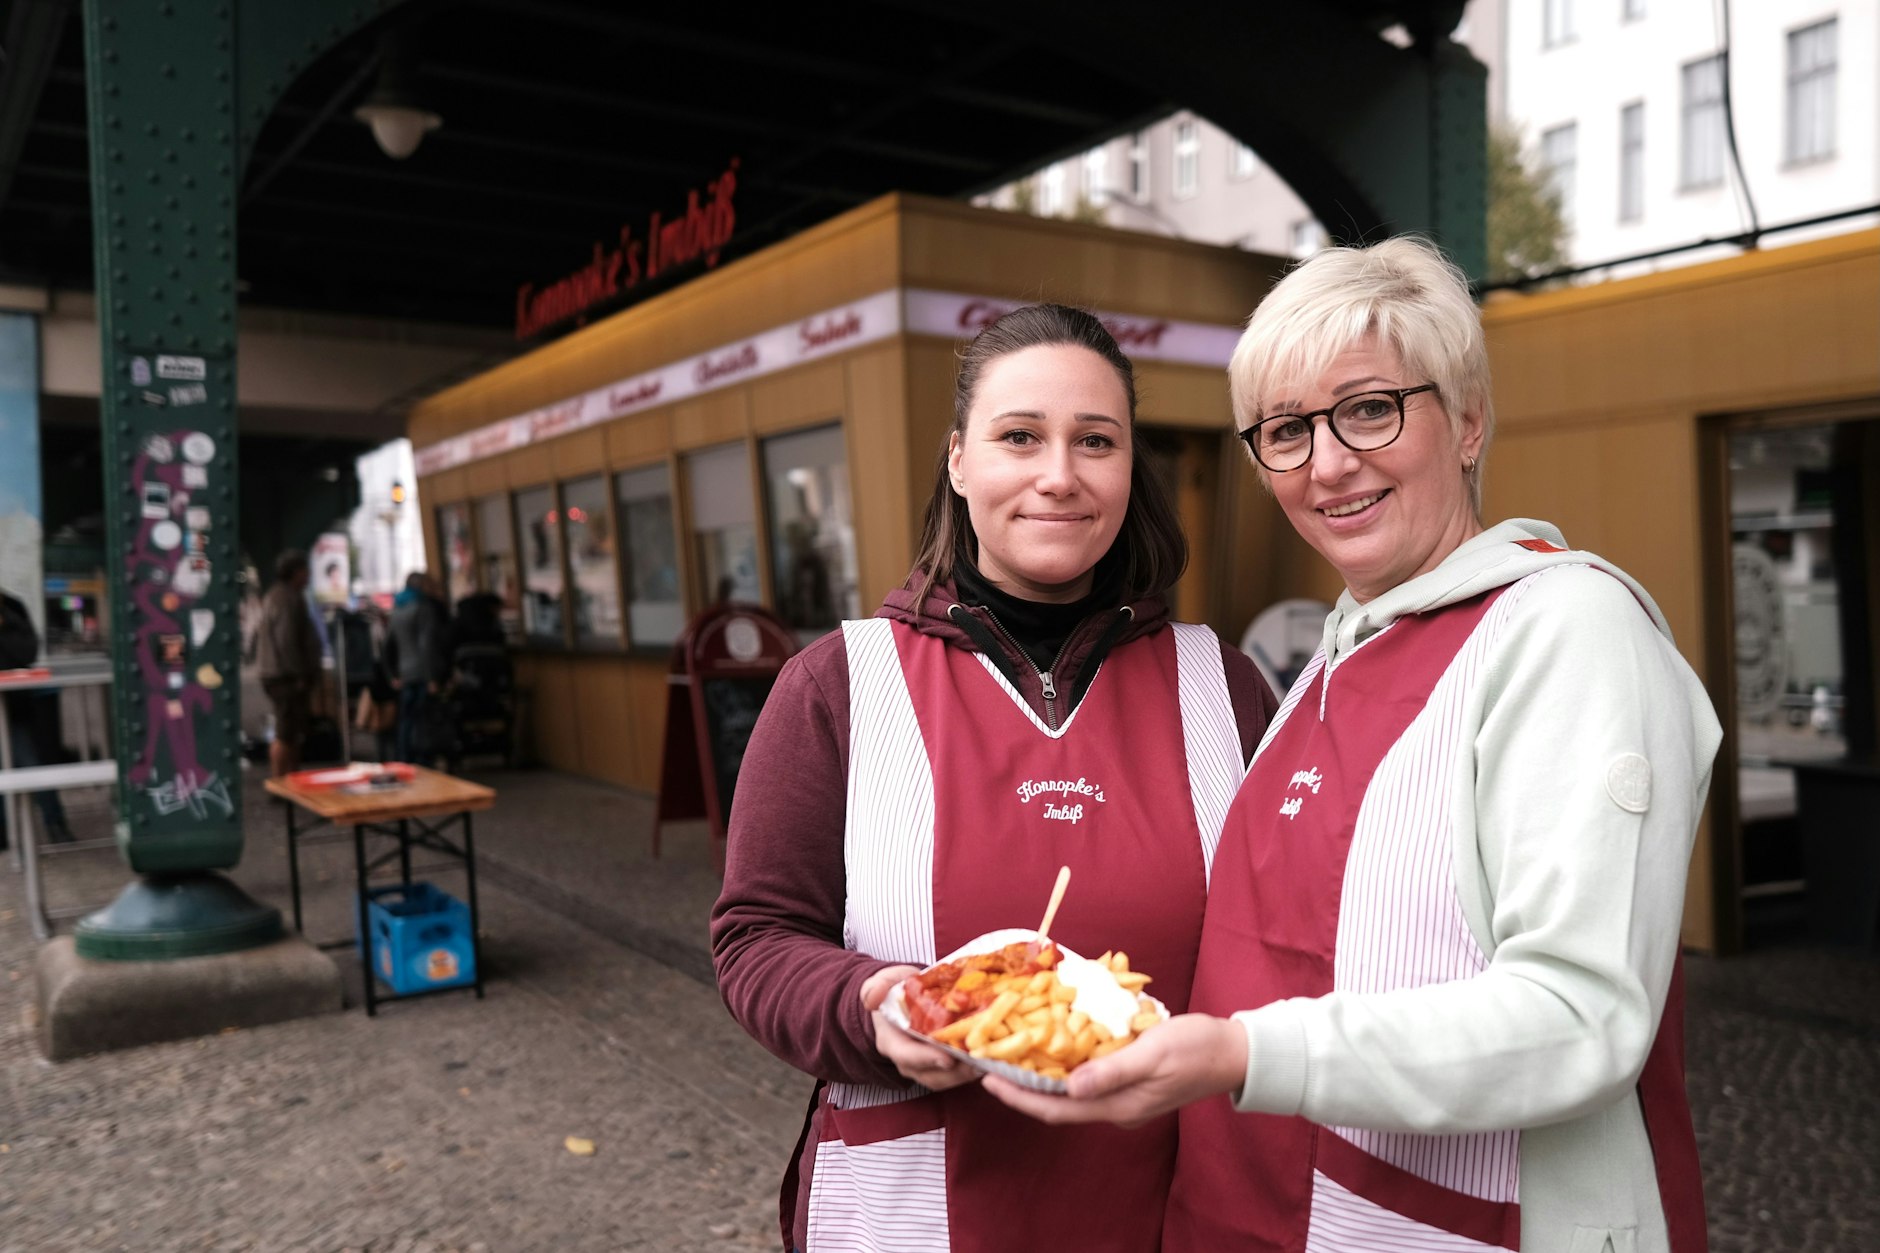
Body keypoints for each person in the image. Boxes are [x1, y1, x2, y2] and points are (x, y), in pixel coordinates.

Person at [984, 238, 1722, 1253]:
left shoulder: (1567, 629)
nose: (1326, 462)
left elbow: (1576, 1015)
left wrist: (1242, 1053)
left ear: (1465, 421)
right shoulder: (1331, 660)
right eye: (1284, 429)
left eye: (1368, 408)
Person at [710, 304, 1279, 1253]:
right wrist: (873, 1004)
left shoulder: (1222, 684)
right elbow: (755, 941)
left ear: (1128, 467)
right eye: (1021, 436)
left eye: (1095, 440)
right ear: (960, 460)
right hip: (912, 1214)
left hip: (1175, 1210)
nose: (1059, 474)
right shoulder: (840, 685)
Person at [0, 588, 74, 847]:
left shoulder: (11, 607)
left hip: (14, 703)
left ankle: (55, 823)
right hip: (13, 702)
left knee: (31, 763)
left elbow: (28, 653)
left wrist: (5, 623)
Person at [256, 550, 323, 779]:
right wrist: (299, 674)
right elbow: (287, 641)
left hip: (277, 672)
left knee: (290, 729)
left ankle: (289, 779)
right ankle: (282, 781)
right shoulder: (286, 598)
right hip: (284, 675)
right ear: (296, 572)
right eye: (305, 571)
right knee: (286, 730)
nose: (309, 576)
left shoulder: (277, 595)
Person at [384, 572, 452, 766]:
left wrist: (393, 674)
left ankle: (405, 758)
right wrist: (432, 677)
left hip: (405, 673)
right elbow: (427, 644)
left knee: (406, 719)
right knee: (424, 719)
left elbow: (388, 645)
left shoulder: (397, 609)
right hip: (423, 671)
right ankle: (423, 759)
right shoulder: (424, 608)